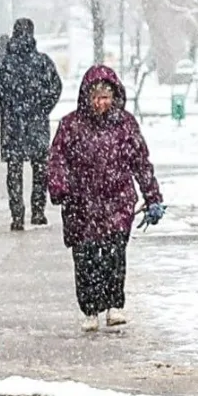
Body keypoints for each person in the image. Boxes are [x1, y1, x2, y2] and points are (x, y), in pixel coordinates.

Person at [47, 64, 165, 332]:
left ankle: (114, 305)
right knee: (85, 257)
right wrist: (59, 186)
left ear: (114, 96)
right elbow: (57, 160)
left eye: (106, 97)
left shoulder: (125, 124)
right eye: (96, 97)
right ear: (86, 97)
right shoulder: (71, 125)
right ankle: (90, 309)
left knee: (114, 254)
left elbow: (141, 162)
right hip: (81, 203)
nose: (100, 103)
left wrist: (152, 196)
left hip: (117, 200)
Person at [0, 18, 62, 231]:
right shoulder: (42, 62)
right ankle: (38, 211)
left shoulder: (2, 61)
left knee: (14, 169)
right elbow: (56, 87)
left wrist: (2, 106)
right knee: (40, 167)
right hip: (36, 121)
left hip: (12, 121)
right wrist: (44, 107)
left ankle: (17, 214)